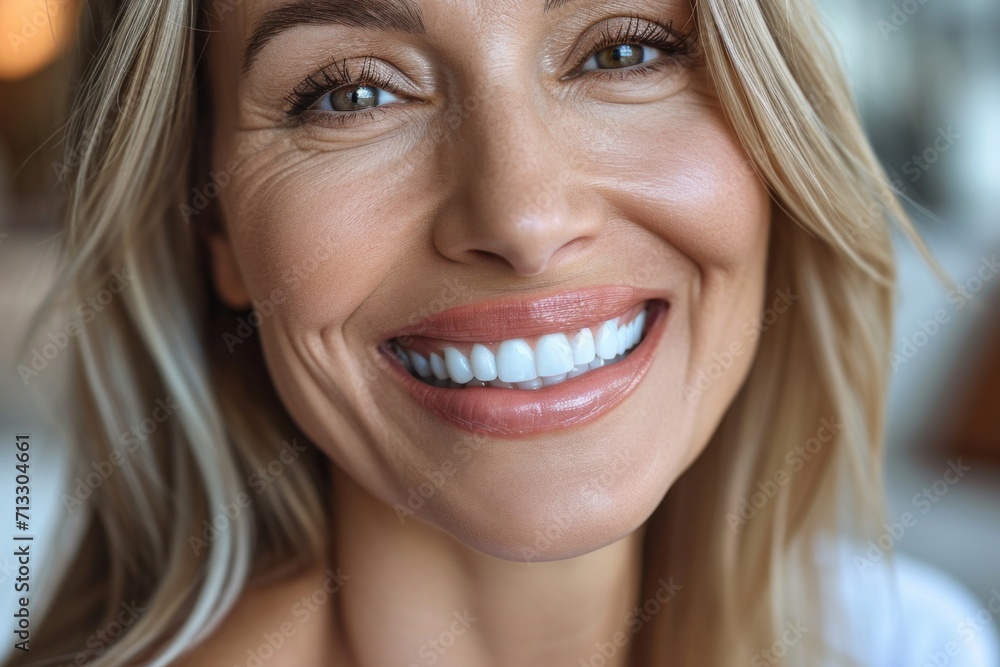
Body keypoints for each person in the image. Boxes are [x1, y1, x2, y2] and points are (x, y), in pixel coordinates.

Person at [9, 0, 998, 665]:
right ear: (210, 223)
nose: (523, 218)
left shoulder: (904, 639)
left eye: (623, 50)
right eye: (353, 91)